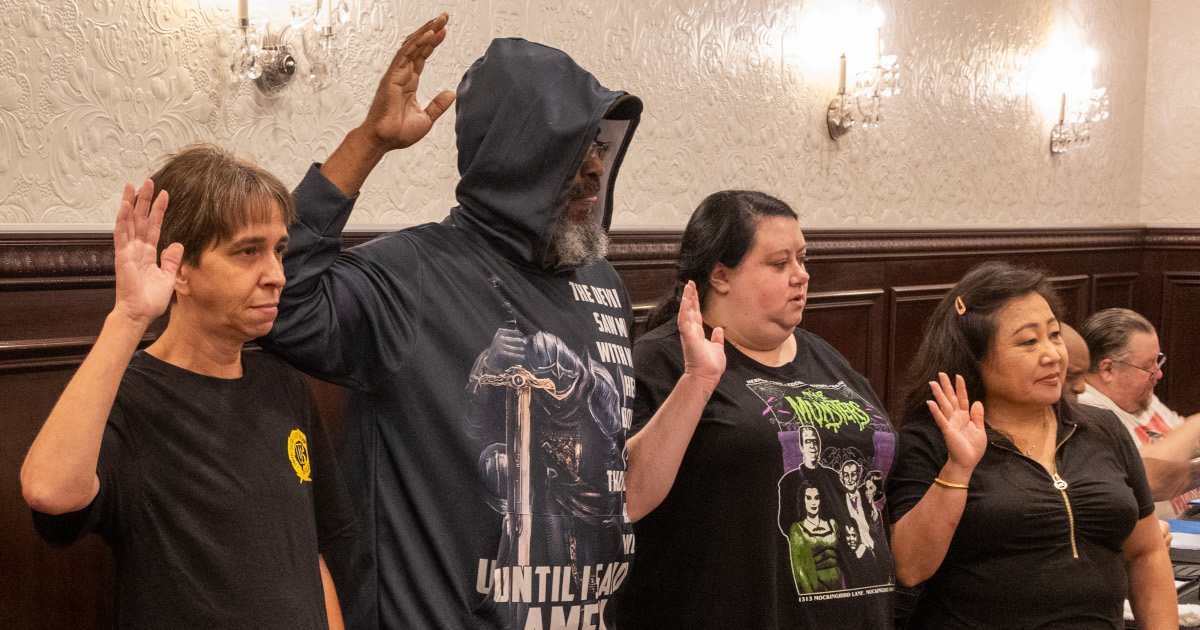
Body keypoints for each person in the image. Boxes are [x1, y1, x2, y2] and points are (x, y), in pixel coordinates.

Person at [258, 15, 722, 630]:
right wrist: (368, 142)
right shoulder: (413, 274)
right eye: (570, 151)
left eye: (599, 149)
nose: (594, 170)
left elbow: (617, 485)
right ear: (517, 159)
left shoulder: (601, 282)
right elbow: (278, 305)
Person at [19, 145, 356, 629]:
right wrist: (130, 317)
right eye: (248, 252)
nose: (277, 276)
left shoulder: (283, 384)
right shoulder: (129, 397)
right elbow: (50, 491)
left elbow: (311, 552)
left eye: (278, 250)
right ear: (180, 270)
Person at [614, 190, 896, 630]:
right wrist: (697, 383)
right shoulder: (662, 360)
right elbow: (626, 495)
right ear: (721, 275)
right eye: (779, 263)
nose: (800, 275)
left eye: (802, 259)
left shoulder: (827, 358)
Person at [887, 261, 1176, 629]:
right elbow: (910, 568)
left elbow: (1146, 552)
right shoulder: (930, 440)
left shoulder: (1103, 429)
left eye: (1054, 335)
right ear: (974, 357)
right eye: (1028, 341)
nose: (1053, 354)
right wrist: (958, 468)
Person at [1078, 307, 1200, 517]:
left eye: (1158, 360)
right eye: (1148, 366)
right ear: (1107, 369)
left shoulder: (1140, 396)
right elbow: (1143, 476)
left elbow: (1187, 443)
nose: (1159, 373)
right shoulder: (1085, 408)